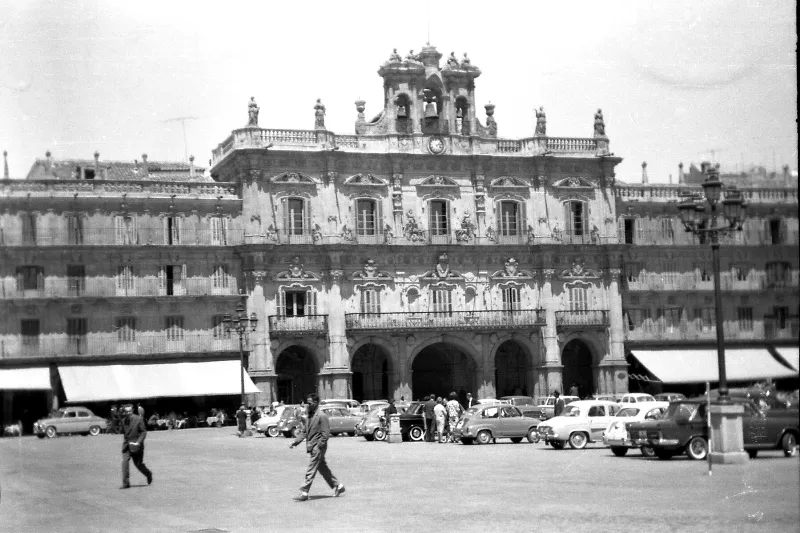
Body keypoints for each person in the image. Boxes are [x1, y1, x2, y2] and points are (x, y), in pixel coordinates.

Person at [290, 393, 345, 501]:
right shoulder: (309, 416)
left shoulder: (322, 416)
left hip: (318, 447)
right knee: (322, 468)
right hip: (312, 446)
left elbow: (325, 434)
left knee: (311, 468)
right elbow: (304, 432)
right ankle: (338, 486)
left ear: (316, 403)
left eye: (309, 403)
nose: (307, 405)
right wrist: (295, 442)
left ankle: (304, 491)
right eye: (307, 403)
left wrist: (319, 446)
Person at [120, 404, 152, 489]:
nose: (128, 413)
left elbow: (143, 432)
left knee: (138, 464)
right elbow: (125, 433)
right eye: (126, 411)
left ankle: (148, 474)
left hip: (137, 446)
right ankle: (126, 483)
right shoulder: (123, 421)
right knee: (125, 462)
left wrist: (138, 442)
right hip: (127, 446)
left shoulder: (139, 419)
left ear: (133, 410)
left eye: (130, 411)